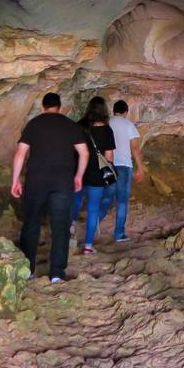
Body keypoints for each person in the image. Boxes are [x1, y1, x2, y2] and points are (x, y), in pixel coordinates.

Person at [11, 92, 87, 283]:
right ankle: (56, 274)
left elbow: (20, 154)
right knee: (60, 227)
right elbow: (84, 153)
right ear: (60, 107)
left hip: (36, 182)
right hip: (63, 183)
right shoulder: (70, 125)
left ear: (42, 107)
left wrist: (15, 180)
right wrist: (78, 176)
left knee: (31, 224)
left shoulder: (34, 124)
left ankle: (28, 269)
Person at [70, 96, 117, 254]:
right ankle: (88, 246)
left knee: (75, 201)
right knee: (93, 209)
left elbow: (72, 150)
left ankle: (71, 225)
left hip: (79, 172)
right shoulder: (107, 130)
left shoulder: (79, 127)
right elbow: (109, 157)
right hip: (97, 176)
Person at [108, 99, 146, 243]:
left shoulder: (107, 123)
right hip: (124, 166)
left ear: (114, 110)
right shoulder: (128, 125)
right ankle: (119, 235)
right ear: (125, 112)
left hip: (108, 165)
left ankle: (92, 231)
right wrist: (140, 168)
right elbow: (135, 148)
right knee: (122, 201)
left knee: (106, 198)